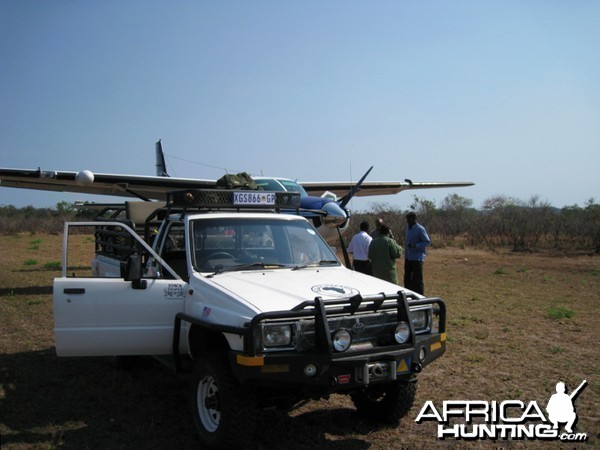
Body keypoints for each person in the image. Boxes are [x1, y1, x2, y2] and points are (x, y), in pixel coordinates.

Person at [404, 212, 431, 295]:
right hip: (408, 257)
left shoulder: (420, 229)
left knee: (417, 279)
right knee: (407, 278)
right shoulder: (407, 228)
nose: (407, 221)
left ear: (414, 219)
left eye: (409, 219)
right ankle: (408, 295)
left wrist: (415, 245)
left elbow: (427, 242)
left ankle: (420, 297)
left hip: (417, 258)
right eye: (407, 219)